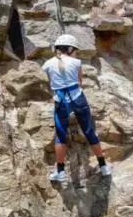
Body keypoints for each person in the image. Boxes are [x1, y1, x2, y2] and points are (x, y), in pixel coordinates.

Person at [41, 34, 112, 183]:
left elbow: (50, 83)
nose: (76, 53)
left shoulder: (47, 64)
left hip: (60, 100)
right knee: (89, 131)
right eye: (75, 50)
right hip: (77, 97)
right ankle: (103, 166)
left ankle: (60, 171)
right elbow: (80, 81)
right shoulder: (76, 62)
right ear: (70, 48)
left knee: (60, 135)